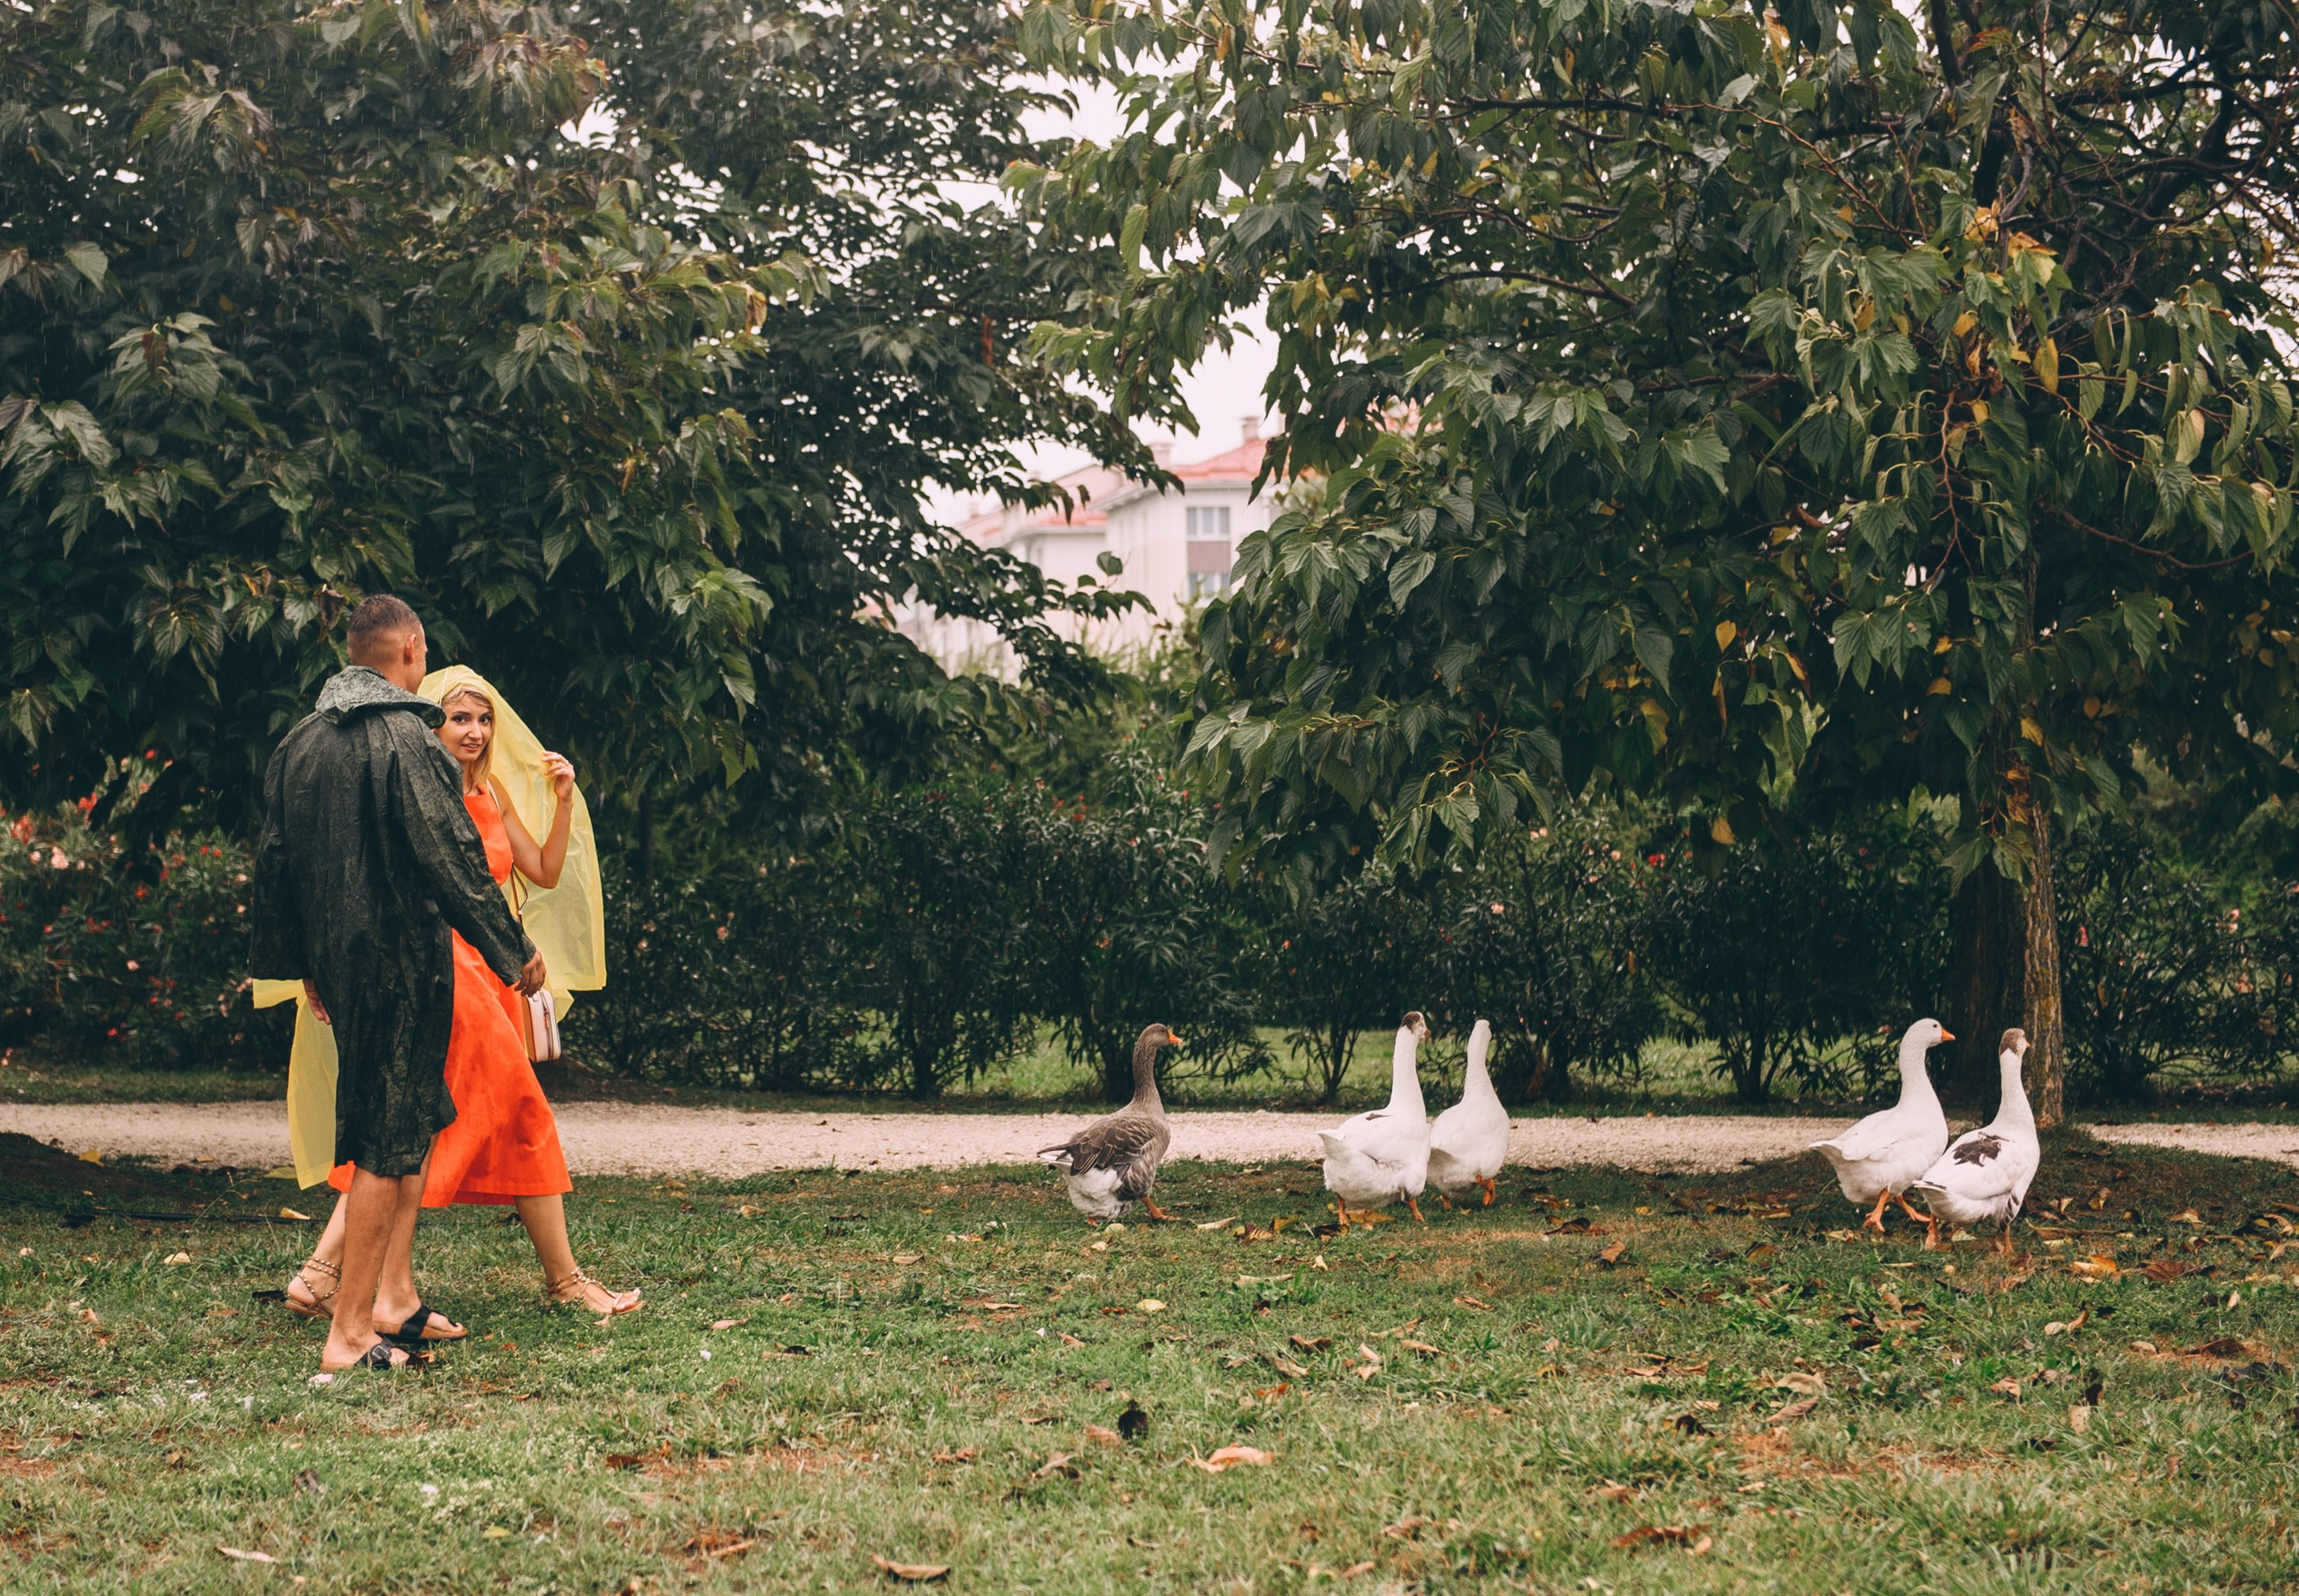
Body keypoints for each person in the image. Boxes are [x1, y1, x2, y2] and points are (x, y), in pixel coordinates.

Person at [277, 666, 639, 1327]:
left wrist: (562, 798)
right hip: (445, 972)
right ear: (429, 720)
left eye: (483, 719)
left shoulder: (492, 790)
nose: (472, 731)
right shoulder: (413, 788)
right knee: (507, 1113)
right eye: (458, 717)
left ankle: (324, 1272)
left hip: (489, 974)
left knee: (416, 1120)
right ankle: (559, 1280)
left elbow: (545, 871)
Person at [250, 595, 543, 1375]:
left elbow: (276, 867)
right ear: (412, 650)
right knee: (387, 1138)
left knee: (410, 1122)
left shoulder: (298, 742)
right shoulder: (407, 738)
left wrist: (305, 966)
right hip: (403, 966)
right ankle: (349, 1334)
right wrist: (515, 951)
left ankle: (391, 1301)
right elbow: (452, 858)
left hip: (342, 970)